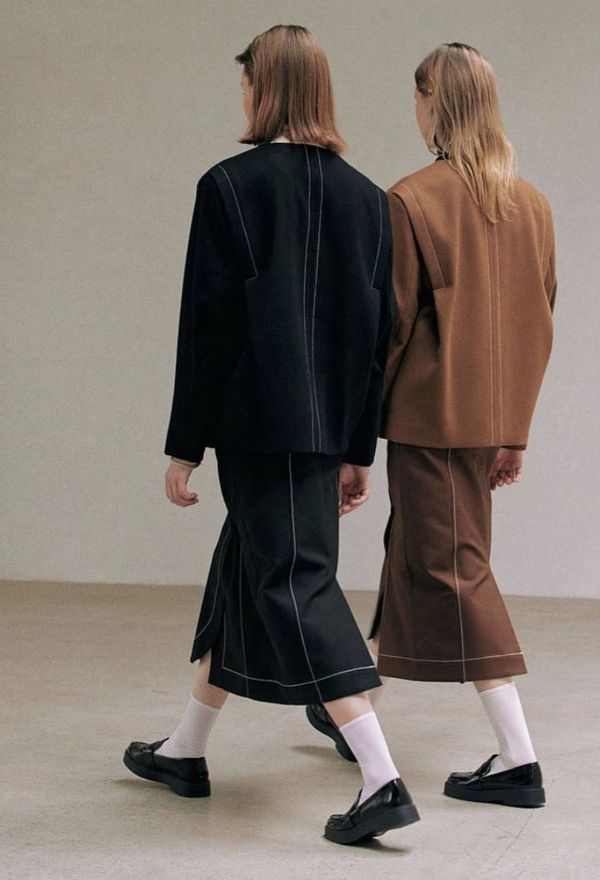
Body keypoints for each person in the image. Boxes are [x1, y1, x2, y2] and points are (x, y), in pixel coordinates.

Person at [122, 24, 419, 846]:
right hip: (325, 430)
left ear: (265, 89)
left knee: (296, 585)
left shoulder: (229, 185)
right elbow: (377, 331)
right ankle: (185, 750)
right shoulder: (366, 197)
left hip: (259, 425)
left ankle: (382, 778)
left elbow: (206, 327)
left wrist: (186, 442)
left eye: (246, 82)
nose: (242, 96)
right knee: (240, 576)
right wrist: (359, 447)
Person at [309, 43, 557, 809]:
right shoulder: (532, 204)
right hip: (486, 423)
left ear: (432, 103)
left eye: (416, 98)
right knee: (414, 554)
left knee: (454, 568)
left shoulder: (411, 199)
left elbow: (388, 329)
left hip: (428, 418)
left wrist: (357, 437)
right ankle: (354, 712)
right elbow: (538, 323)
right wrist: (514, 429)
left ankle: (519, 758)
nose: (412, 111)